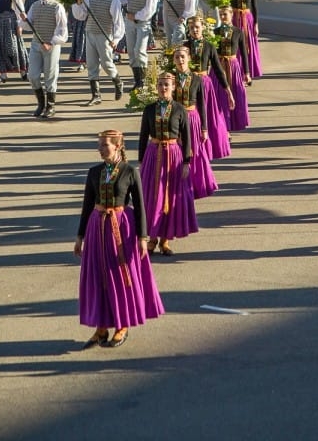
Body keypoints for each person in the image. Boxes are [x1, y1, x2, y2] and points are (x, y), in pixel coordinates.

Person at [74, 129, 164, 350]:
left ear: (117, 146)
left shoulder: (129, 172)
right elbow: (87, 205)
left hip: (121, 228)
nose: (100, 149)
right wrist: (80, 236)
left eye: (104, 145)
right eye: (99, 145)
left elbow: (141, 207)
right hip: (97, 227)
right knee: (98, 276)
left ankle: (122, 325)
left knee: (120, 275)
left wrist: (143, 237)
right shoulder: (94, 172)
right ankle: (101, 327)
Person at [137, 72, 196, 256]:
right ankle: (152, 237)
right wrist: (141, 161)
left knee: (170, 196)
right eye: (161, 84)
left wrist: (186, 162)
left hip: (173, 156)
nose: (164, 88)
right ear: (157, 87)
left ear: (173, 87)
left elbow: (186, 139)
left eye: (167, 85)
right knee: (153, 196)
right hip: (153, 155)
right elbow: (143, 136)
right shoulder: (149, 109)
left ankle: (165, 240)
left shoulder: (180, 110)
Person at [71, 0, 126, 106]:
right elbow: (81, 15)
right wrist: (78, 2)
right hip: (90, 33)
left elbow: (118, 22)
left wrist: (115, 39)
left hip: (104, 35)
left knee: (107, 63)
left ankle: (118, 82)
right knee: (91, 64)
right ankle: (96, 95)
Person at [185, 15, 234, 160]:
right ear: (188, 29)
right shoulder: (184, 47)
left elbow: (218, 70)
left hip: (205, 83)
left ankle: (210, 145)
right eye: (192, 28)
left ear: (202, 28)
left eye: (197, 27)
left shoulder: (209, 46)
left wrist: (228, 90)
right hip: (189, 84)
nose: (195, 30)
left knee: (209, 114)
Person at [172, 46, 218, 199]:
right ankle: (180, 185)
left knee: (194, 151)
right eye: (177, 57)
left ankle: (197, 185)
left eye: (183, 57)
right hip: (176, 119)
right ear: (173, 60)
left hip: (192, 118)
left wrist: (204, 128)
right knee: (178, 150)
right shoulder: (169, 79)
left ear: (189, 58)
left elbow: (202, 104)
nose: (180, 60)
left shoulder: (197, 79)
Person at [26, 0, 67, 119]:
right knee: (32, 75)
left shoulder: (57, 7)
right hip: (36, 44)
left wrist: (51, 42)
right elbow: (27, 25)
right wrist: (23, 20)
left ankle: (50, 106)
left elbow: (63, 31)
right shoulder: (35, 5)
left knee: (50, 76)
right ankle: (41, 103)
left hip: (51, 46)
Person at [122, 0, 158, 90]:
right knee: (131, 51)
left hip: (142, 23)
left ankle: (142, 81)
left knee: (139, 51)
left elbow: (150, 8)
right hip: (130, 22)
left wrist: (135, 16)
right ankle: (137, 80)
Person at [214, 6, 252, 132]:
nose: (223, 17)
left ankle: (235, 121)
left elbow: (244, 53)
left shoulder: (238, 32)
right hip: (219, 65)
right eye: (221, 14)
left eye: (225, 14)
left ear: (231, 15)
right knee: (219, 94)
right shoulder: (215, 32)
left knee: (236, 92)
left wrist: (246, 72)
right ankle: (223, 122)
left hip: (233, 65)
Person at [229, 0, 262, 79]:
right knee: (236, 43)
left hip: (247, 19)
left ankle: (249, 71)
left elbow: (255, 8)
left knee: (248, 44)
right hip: (235, 18)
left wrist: (256, 24)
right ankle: (238, 71)